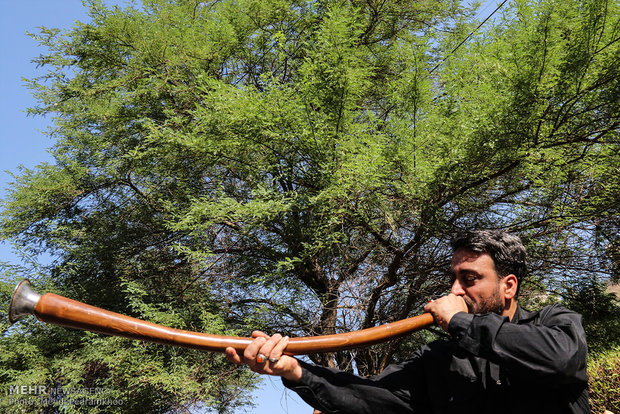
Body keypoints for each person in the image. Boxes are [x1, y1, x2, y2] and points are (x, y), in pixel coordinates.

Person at [226, 230, 590, 413]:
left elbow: (560, 361)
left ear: (508, 286)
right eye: (453, 278)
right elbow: (371, 398)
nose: (454, 290)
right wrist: (295, 371)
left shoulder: (553, 323)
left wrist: (461, 323)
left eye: (470, 278)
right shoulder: (441, 358)